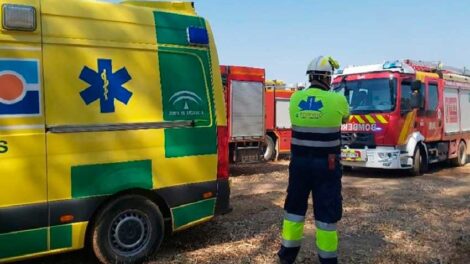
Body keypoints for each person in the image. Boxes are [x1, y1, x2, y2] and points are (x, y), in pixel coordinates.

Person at [278, 56, 350, 264]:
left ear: (310, 76)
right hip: (327, 166)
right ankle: (328, 260)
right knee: (326, 214)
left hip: (299, 164)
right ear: (328, 78)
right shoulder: (338, 100)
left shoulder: (294, 99)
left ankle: (286, 257)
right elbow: (345, 117)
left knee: (294, 210)